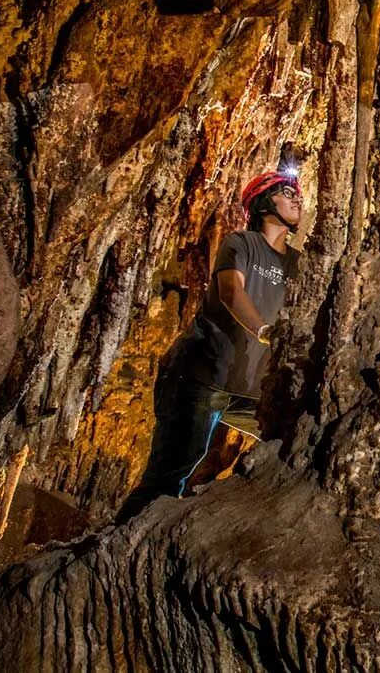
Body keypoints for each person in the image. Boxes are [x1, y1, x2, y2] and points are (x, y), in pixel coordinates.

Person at [118, 169, 301, 521]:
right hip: (202, 373)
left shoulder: (297, 264)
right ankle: (117, 543)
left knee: (289, 446)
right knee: (171, 475)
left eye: (297, 193)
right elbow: (232, 291)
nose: (297, 198)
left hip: (250, 389)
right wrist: (264, 330)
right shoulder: (240, 243)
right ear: (263, 202)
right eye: (285, 191)